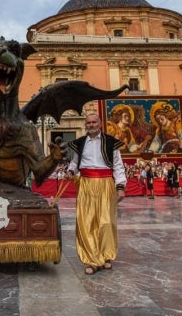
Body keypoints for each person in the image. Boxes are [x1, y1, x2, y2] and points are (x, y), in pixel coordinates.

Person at [66, 113, 127, 275]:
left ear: (100, 124)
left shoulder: (111, 142)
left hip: (106, 183)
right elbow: (74, 162)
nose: (91, 125)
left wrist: (120, 186)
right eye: (88, 123)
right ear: (85, 125)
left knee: (106, 222)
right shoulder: (80, 143)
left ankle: (106, 256)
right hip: (86, 183)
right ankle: (92, 260)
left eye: (94, 122)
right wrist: (71, 171)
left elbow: (118, 166)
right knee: (87, 222)